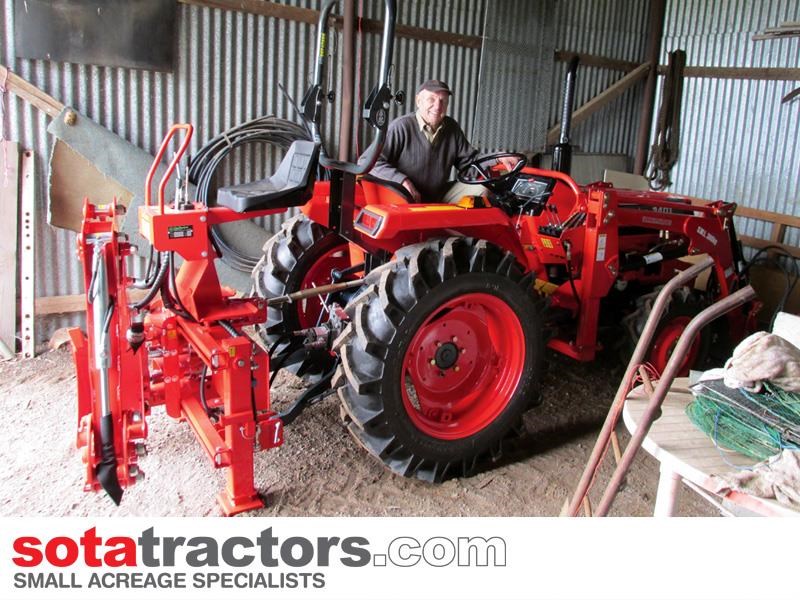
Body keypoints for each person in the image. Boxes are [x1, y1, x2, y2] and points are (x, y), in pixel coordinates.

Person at [363, 79, 519, 203]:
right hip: (406, 198)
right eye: (431, 99)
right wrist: (403, 181)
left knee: (481, 191)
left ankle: (463, 238)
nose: (437, 106)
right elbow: (368, 161)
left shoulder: (451, 128)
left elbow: (470, 164)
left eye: (443, 101)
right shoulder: (401, 127)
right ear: (419, 101)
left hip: (438, 194)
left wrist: (497, 157)